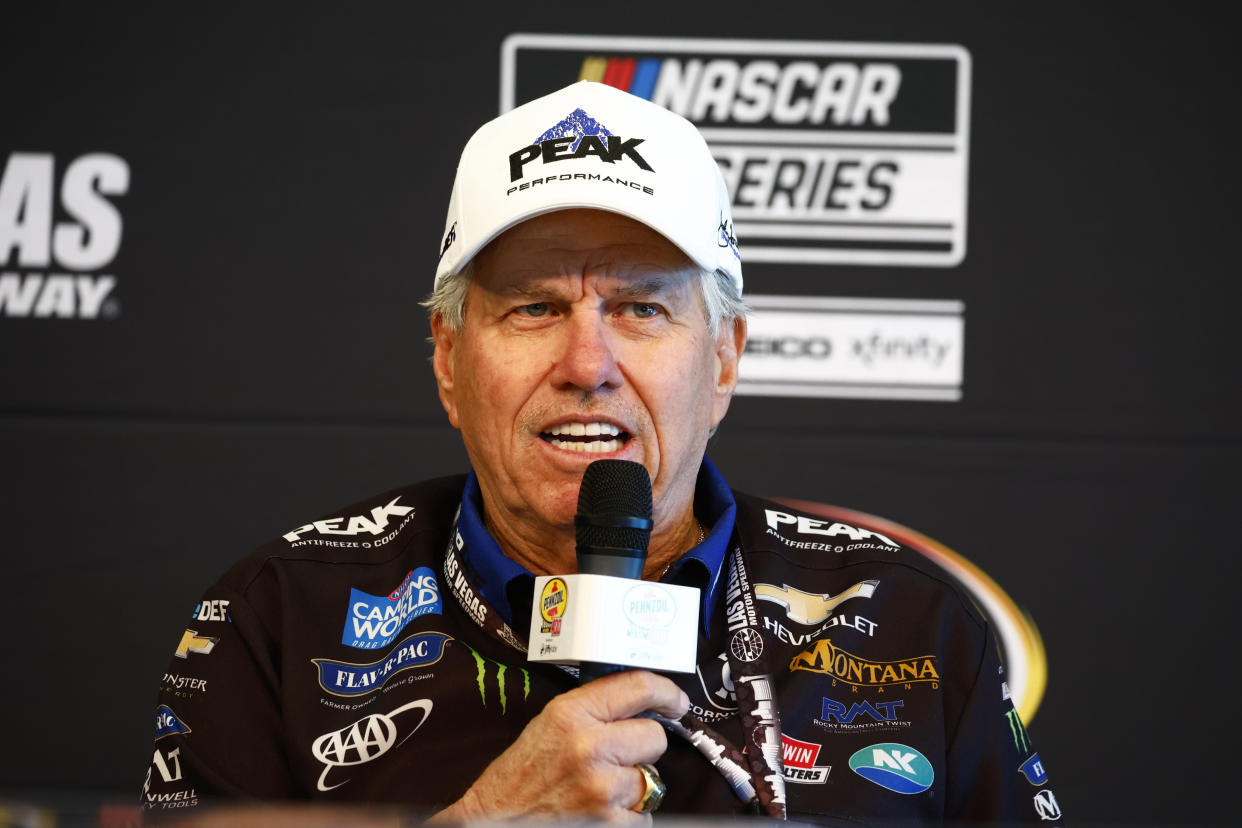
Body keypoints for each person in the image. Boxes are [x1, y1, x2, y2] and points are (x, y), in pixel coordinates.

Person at [143, 81, 1060, 825]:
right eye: (533, 307)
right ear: (451, 363)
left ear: (726, 358)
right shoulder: (281, 616)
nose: (588, 365)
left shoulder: (913, 625)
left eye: (643, 308)